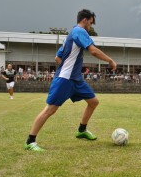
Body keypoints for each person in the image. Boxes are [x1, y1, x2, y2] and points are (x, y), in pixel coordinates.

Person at [24, 9, 117, 151]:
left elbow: (57, 57)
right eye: (90, 23)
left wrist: (68, 66)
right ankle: (30, 141)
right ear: (84, 20)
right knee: (50, 110)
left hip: (76, 79)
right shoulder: (79, 31)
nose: (90, 27)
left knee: (93, 102)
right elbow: (93, 50)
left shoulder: (71, 35)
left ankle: (81, 130)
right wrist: (110, 61)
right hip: (65, 80)